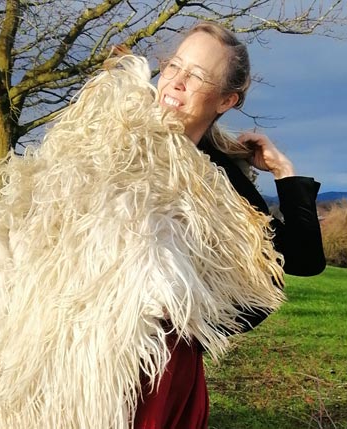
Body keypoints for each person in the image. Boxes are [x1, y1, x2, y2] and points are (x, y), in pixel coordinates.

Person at [133, 22, 326, 428]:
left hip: (163, 370)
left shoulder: (220, 176)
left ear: (226, 99)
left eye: (198, 76)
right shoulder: (110, 140)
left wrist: (284, 172)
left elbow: (302, 260)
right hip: (84, 351)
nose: (177, 81)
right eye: (174, 66)